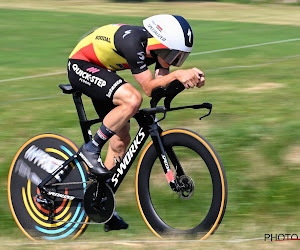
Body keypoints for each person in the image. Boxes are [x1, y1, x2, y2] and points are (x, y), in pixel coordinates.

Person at [67, 14, 205, 231]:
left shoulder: (157, 53)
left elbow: (159, 90)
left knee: (121, 139)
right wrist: (178, 74)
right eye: (172, 54)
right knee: (132, 99)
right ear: (160, 43)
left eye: (179, 57)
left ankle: (102, 203)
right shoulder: (133, 42)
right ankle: (90, 149)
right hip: (81, 64)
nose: (173, 61)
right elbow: (149, 88)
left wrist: (185, 81)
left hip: (102, 70)